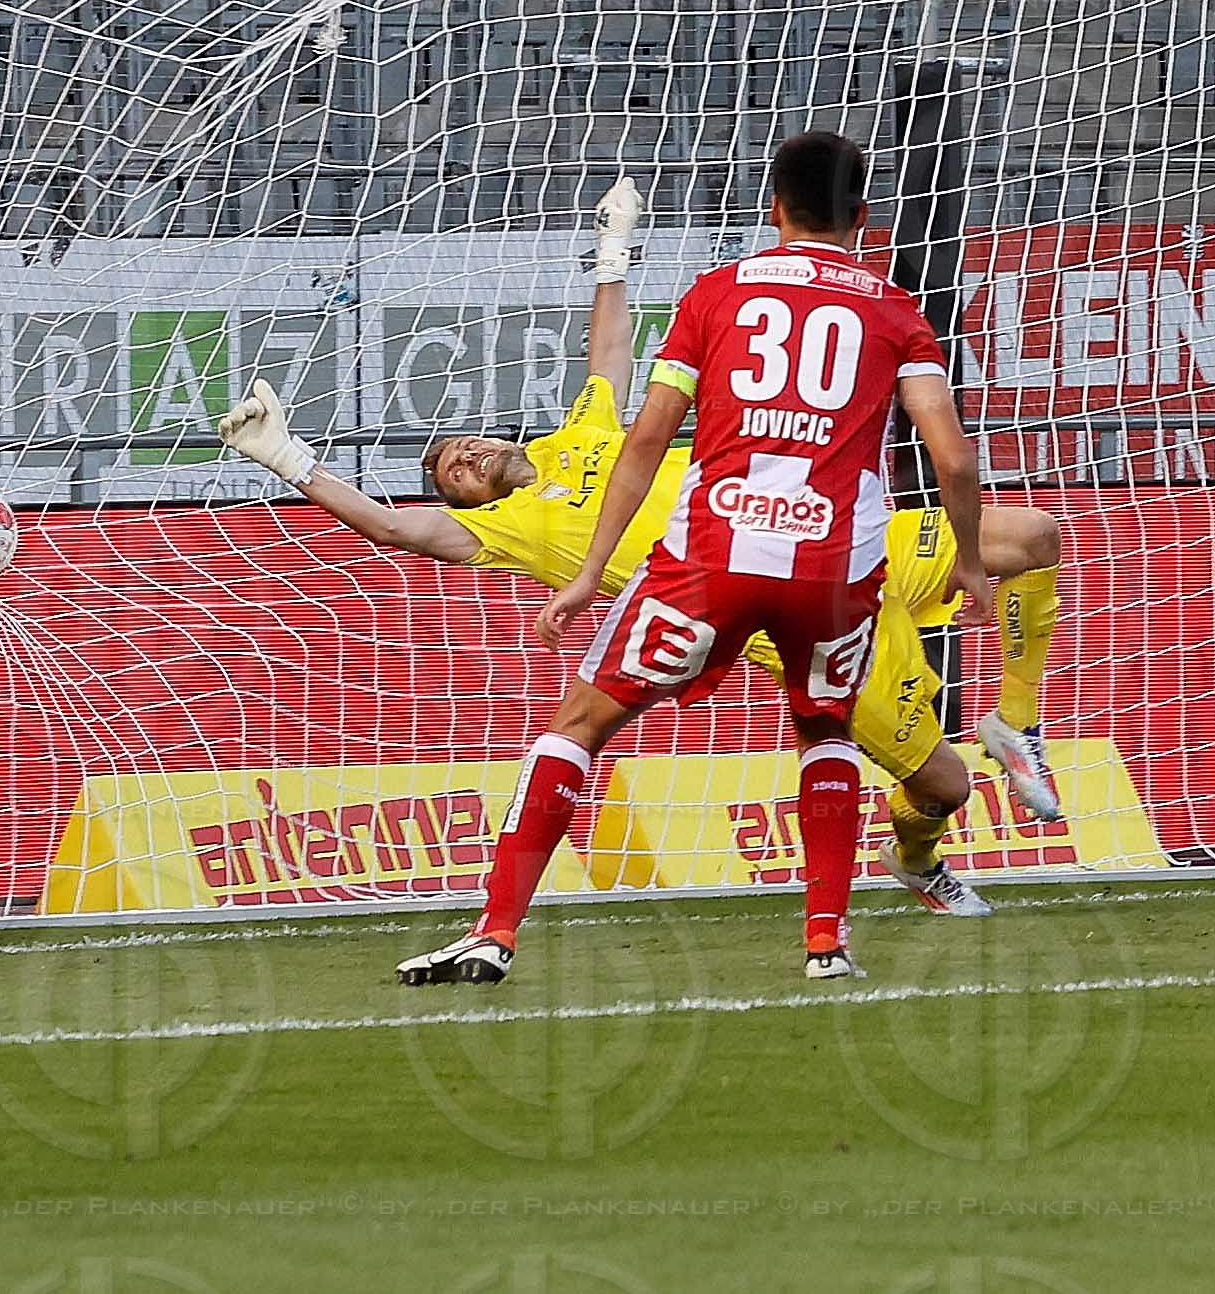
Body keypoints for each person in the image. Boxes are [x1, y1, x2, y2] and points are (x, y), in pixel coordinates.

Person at [219, 181, 1065, 929]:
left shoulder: (581, 432)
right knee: (944, 789)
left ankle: (1015, 721)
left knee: (1030, 538)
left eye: (465, 446)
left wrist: (612, 250)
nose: (467, 459)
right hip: (796, 611)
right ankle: (915, 857)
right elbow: (397, 529)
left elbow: (611, 350)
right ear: (467, 503)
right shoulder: (506, 529)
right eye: (453, 475)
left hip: (849, 543)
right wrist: (292, 460)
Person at [398, 131, 991, 983]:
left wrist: (584, 573)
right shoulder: (899, 314)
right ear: (862, 216)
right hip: (828, 570)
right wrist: (968, 560)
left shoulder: (718, 295)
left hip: (711, 557)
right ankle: (826, 945)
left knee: (581, 728)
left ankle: (494, 932)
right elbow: (956, 459)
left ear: (771, 209)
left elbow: (645, 445)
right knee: (823, 728)